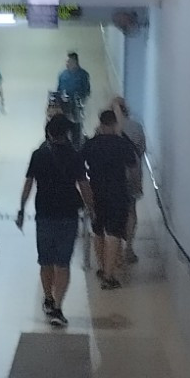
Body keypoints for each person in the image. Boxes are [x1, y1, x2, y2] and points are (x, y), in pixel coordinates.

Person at [17, 114, 91, 328]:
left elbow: (28, 184)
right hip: (67, 214)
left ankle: (48, 298)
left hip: (44, 213)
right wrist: (91, 207)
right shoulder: (75, 156)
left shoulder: (38, 155)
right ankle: (58, 306)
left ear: (49, 133)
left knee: (45, 260)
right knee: (63, 263)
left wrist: (21, 208)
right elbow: (84, 185)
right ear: (68, 133)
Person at [80, 110, 140, 289]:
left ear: (100, 123)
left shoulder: (91, 144)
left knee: (97, 230)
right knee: (113, 233)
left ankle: (101, 267)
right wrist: (135, 186)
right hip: (117, 192)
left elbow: (79, 166)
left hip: (96, 191)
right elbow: (133, 165)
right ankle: (109, 275)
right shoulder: (122, 144)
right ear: (114, 124)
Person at [112, 95, 146, 265]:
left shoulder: (105, 128)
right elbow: (141, 150)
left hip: (113, 177)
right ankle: (129, 248)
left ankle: (115, 251)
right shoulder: (137, 127)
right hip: (133, 174)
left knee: (115, 211)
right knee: (131, 210)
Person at [55, 52, 91, 143]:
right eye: (66, 62)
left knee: (76, 126)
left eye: (68, 61)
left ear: (75, 62)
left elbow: (86, 91)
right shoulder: (63, 75)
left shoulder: (83, 75)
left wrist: (81, 100)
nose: (66, 64)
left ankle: (76, 141)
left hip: (77, 106)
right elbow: (59, 89)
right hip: (65, 105)